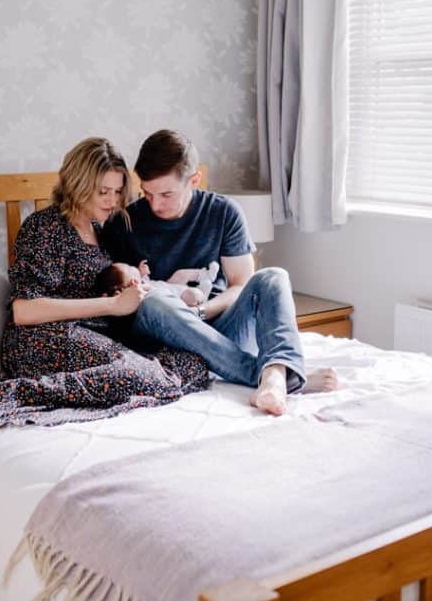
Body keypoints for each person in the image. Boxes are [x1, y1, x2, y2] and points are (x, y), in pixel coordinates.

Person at [0, 137, 210, 437]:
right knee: (143, 374)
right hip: (42, 337)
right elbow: (24, 310)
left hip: (88, 336)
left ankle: (88, 385)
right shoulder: (45, 227)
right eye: (103, 191)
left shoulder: (103, 231)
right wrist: (111, 305)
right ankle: (16, 393)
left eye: (118, 192)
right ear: (78, 185)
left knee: (191, 363)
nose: (113, 200)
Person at [102, 129, 337, 417]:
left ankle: (275, 377)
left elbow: (240, 285)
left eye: (166, 194)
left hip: (220, 327)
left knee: (274, 276)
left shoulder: (224, 213)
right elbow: (119, 298)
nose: (155, 204)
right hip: (164, 338)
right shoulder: (124, 221)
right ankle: (276, 376)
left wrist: (201, 311)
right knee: (154, 301)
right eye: (147, 193)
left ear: (194, 179)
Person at [95, 260, 220, 306]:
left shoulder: (141, 282)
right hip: (180, 296)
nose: (132, 266)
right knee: (193, 295)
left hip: (170, 285)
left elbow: (147, 281)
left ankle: (205, 274)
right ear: (134, 281)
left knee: (180, 274)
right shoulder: (141, 292)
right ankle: (203, 296)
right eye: (129, 267)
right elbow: (148, 290)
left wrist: (143, 273)